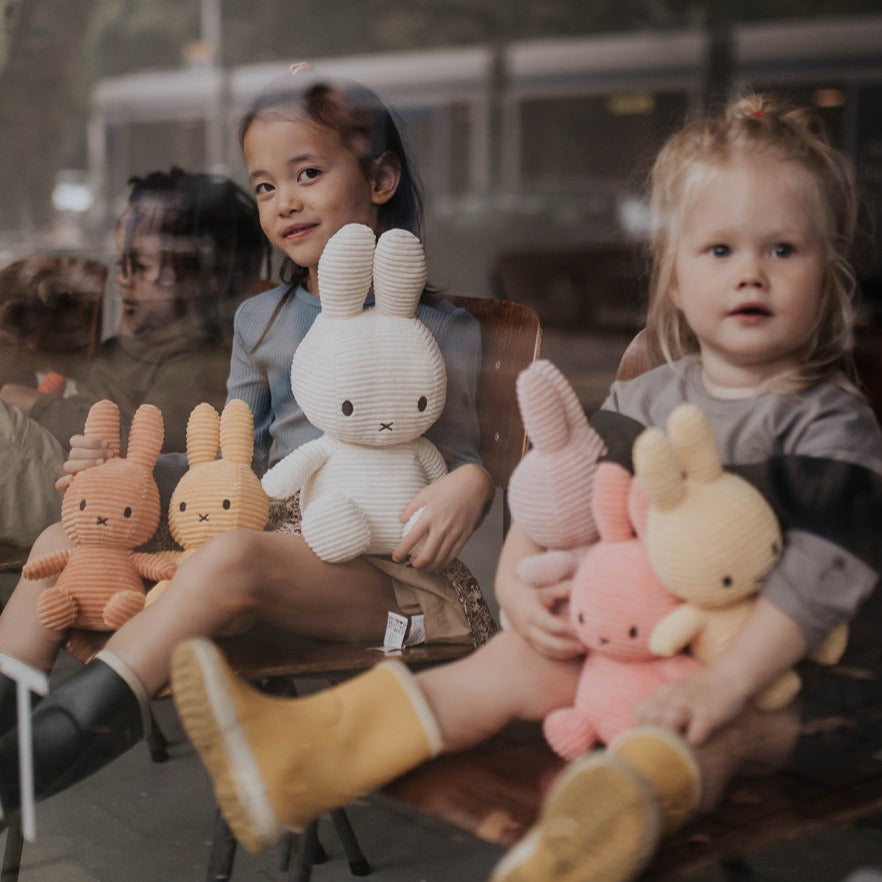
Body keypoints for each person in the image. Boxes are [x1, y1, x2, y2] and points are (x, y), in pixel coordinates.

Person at [169, 92, 882, 881]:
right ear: (675, 279)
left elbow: (819, 580)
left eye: (782, 250)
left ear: (831, 276)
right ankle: (302, 754)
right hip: (632, 655)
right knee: (502, 669)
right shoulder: (649, 397)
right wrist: (518, 580)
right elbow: (565, 482)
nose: (750, 271)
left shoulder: (828, 424)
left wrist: (725, 683)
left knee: (716, 732)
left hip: (789, 690)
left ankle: (589, 835)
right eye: (719, 251)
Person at [0, 75, 494, 820]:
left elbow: (458, 459)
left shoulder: (442, 328)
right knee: (70, 533)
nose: (284, 202)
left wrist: (473, 482)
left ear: (381, 177)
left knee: (231, 557)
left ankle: (57, 746)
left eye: (307, 174)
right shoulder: (263, 319)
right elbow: (234, 470)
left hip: (384, 582)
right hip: (271, 543)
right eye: (265, 187)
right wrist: (122, 479)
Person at [0, 167, 268, 552]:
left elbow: (156, 453)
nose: (122, 278)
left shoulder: (202, 361)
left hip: (99, 498)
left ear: (201, 279)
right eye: (121, 261)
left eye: (139, 267)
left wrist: (36, 403)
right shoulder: (137, 342)